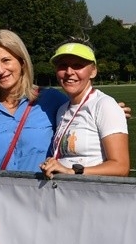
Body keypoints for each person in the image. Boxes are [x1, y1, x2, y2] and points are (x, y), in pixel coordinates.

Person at [0, 29, 130, 186]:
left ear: (22, 62)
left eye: (6, 60)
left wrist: (110, 111)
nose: (0, 70)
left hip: (43, 203)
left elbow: (79, 112)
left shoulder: (50, 99)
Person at [40, 39, 130, 178]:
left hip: (91, 190)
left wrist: (73, 171)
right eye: (63, 66)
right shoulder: (62, 110)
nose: (69, 72)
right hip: (66, 189)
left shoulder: (104, 105)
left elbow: (121, 167)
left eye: (77, 65)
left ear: (93, 71)